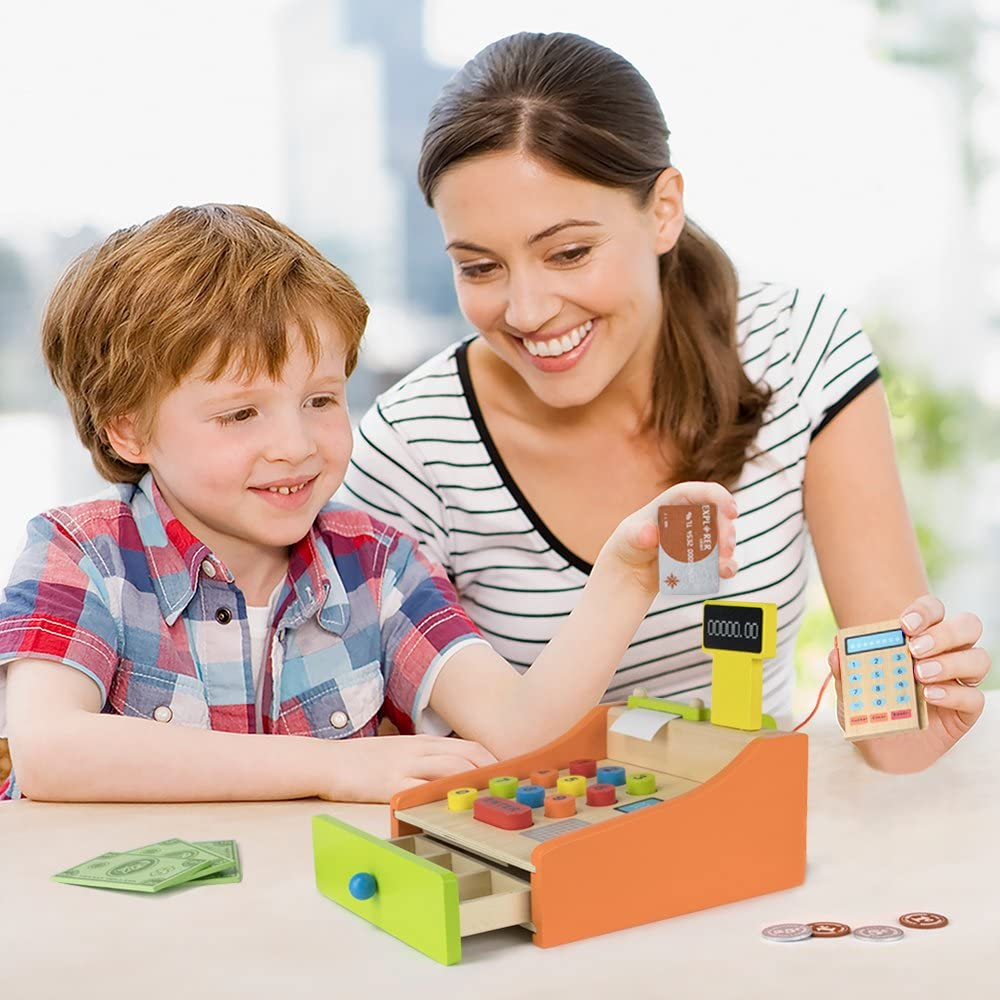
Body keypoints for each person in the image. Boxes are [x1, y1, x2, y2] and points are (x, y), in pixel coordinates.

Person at [342, 32, 990, 774]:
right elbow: (389, 745)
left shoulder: (799, 350)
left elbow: (894, 731)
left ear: (663, 210)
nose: (527, 310)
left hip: (752, 816)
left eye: (569, 253)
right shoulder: (411, 447)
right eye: (481, 267)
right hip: (542, 827)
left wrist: (916, 724)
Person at [0, 203, 737, 804]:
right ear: (128, 429)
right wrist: (331, 768)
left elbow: (519, 733)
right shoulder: (80, 552)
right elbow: (50, 751)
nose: (296, 445)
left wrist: (623, 576)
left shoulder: (378, 565)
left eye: (321, 400)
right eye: (240, 414)